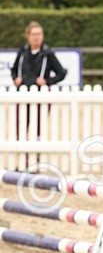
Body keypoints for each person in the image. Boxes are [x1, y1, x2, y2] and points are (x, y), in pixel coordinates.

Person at [11, 22, 66, 157]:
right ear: (28, 36)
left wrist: (47, 82)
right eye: (34, 34)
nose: (37, 37)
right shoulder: (23, 53)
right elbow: (14, 70)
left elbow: (61, 73)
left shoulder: (48, 54)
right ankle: (22, 157)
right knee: (21, 127)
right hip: (23, 94)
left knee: (37, 128)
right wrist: (16, 78)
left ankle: (36, 158)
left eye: (39, 34)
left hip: (41, 96)